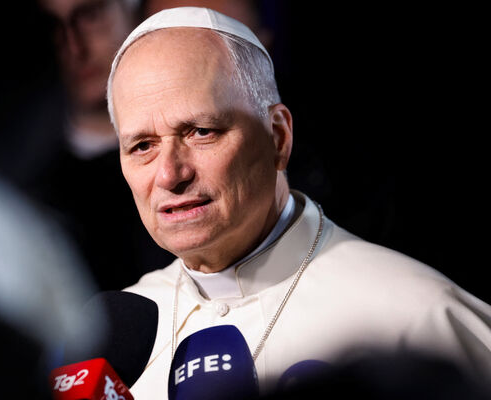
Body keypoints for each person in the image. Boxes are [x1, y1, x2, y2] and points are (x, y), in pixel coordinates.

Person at [105, 7, 491, 399]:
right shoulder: (109, 347)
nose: (169, 175)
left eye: (202, 131)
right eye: (142, 146)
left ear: (278, 137)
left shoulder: (417, 316)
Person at [26, 0, 175, 290]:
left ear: (132, 10)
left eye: (91, 16)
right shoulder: (31, 197)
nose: (74, 46)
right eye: (53, 29)